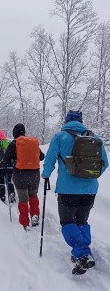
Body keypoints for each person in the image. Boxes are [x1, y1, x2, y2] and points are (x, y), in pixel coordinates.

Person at [41, 110, 108, 275]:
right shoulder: (95, 138)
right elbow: (104, 163)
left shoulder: (60, 137)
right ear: (81, 121)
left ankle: (82, 254)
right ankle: (82, 251)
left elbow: (49, 160)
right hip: (90, 190)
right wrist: (89, 176)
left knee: (67, 222)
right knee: (81, 221)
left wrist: (46, 175)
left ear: (67, 121)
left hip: (67, 189)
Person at [3, 123, 44, 231]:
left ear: (14, 133)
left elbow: (6, 159)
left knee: (23, 199)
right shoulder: (32, 143)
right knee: (33, 196)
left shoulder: (14, 143)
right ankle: (35, 216)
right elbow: (42, 157)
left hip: (20, 175)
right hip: (35, 174)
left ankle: (25, 222)